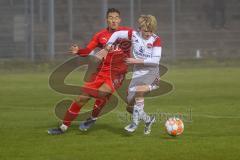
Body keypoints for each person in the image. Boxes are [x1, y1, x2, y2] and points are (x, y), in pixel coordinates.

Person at [48, 8, 131, 135]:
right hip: (101, 71)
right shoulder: (100, 35)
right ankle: (63, 127)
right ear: (107, 20)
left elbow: (143, 37)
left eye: (116, 18)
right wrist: (78, 51)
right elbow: (88, 50)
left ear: (120, 20)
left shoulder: (127, 33)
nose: (113, 20)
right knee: (81, 98)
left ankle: (93, 117)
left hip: (117, 73)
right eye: (111, 17)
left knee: (102, 93)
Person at [98, 15, 162, 135]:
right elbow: (116, 34)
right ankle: (148, 120)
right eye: (146, 31)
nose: (148, 34)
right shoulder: (133, 35)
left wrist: (135, 61)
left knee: (139, 91)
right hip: (138, 74)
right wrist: (108, 45)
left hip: (151, 73)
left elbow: (155, 61)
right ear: (140, 29)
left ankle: (134, 124)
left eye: (151, 31)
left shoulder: (156, 40)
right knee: (129, 107)